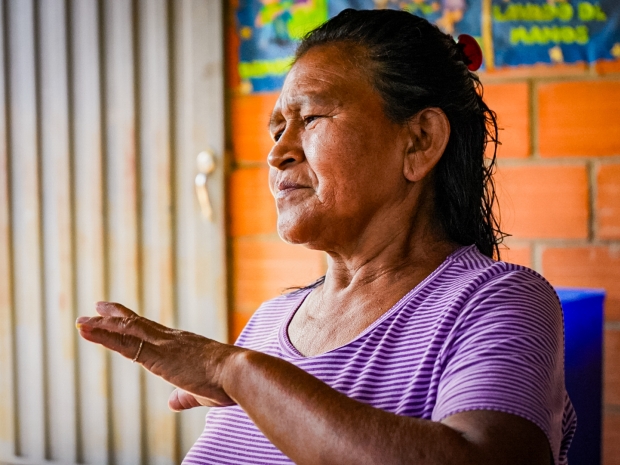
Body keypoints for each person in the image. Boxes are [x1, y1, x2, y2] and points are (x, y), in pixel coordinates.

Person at [76, 9, 576, 465]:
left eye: (311, 118)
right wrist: (239, 367)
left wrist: (234, 370)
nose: (277, 154)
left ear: (420, 140)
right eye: (276, 130)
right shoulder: (272, 320)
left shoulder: (498, 301)